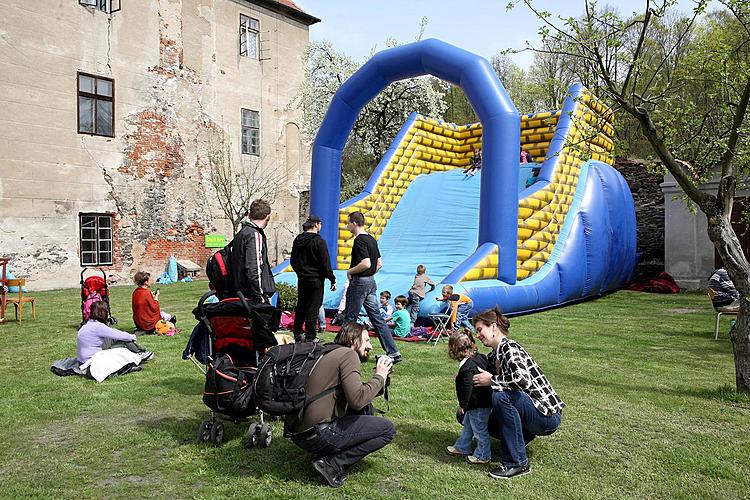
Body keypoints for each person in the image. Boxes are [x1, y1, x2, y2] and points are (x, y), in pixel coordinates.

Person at [285, 322, 395, 488]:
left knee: (365, 407)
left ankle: (325, 452)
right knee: (387, 429)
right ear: (352, 340)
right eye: (366, 341)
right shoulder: (348, 356)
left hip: (298, 433)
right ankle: (332, 463)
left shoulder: (327, 350)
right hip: (319, 435)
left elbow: (357, 396)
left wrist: (382, 379)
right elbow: (357, 400)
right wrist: (379, 376)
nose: (370, 346)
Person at [472, 307, 564, 479]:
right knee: (472, 415)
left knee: (502, 396)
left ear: (493, 327)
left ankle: (517, 463)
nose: (478, 335)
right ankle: (519, 440)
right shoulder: (494, 355)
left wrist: (492, 380)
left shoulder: (509, 348)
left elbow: (523, 380)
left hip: (546, 416)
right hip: (528, 412)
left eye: (479, 330)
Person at [342, 211, 402, 362]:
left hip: (360, 282)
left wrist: (350, 271)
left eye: (348, 223)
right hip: (371, 282)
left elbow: (366, 263)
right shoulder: (372, 239)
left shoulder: (359, 241)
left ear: (354, 223)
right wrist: (369, 274)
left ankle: (343, 352)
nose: (347, 225)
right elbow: (379, 264)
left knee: (350, 318)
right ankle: (393, 351)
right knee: (377, 319)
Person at [446, 329, 492, 464]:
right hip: (484, 401)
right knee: (468, 425)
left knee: (479, 429)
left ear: (454, 351)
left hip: (478, 404)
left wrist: (463, 405)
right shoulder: (480, 358)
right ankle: (462, 446)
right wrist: (459, 376)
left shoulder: (467, 369)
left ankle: (483, 455)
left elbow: (467, 388)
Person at [291, 215, 336, 342]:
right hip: (316, 280)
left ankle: (298, 332)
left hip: (302, 279)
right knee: (313, 307)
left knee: (301, 306)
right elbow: (325, 263)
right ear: (316, 224)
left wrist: (300, 272)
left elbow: (293, 261)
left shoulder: (298, 240)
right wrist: (331, 279)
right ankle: (310, 336)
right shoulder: (319, 241)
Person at [78, 301, 153, 364]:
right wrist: (132, 336)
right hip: (93, 360)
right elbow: (120, 335)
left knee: (116, 338)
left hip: (82, 360)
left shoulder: (88, 324)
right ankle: (139, 353)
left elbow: (112, 334)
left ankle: (139, 351)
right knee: (125, 340)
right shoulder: (98, 327)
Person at [231, 198, 276, 303]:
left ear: (250, 215)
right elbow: (254, 268)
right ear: (268, 216)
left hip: (241, 293)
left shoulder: (241, 233)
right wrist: (259, 296)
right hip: (252, 297)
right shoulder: (254, 235)